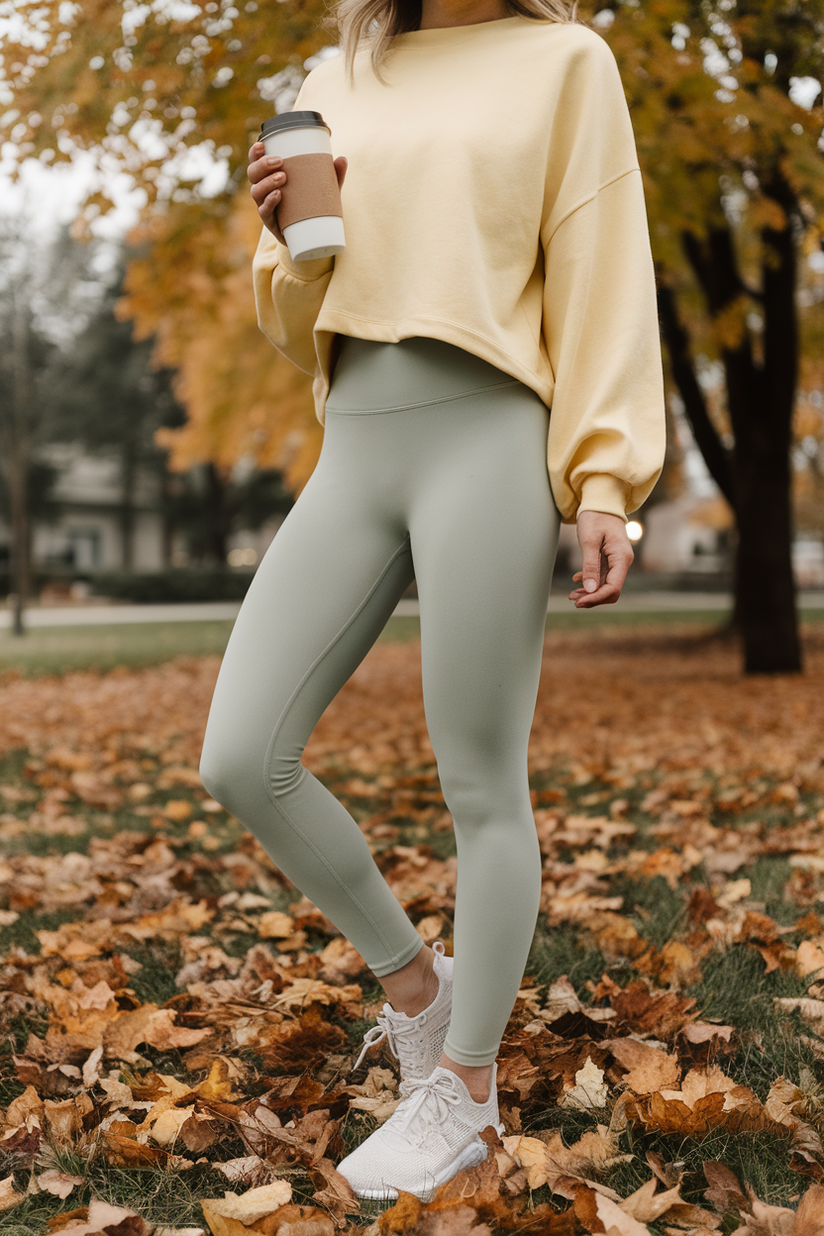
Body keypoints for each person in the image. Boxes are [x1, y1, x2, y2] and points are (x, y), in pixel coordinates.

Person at [199, 0, 666, 1205]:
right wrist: (282, 236)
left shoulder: (566, 61)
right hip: (354, 437)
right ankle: (419, 989)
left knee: (478, 778)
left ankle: (462, 1095)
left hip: (489, 436)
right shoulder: (336, 68)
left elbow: (602, 270)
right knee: (242, 755)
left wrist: (605, 478)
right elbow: (299, 311)